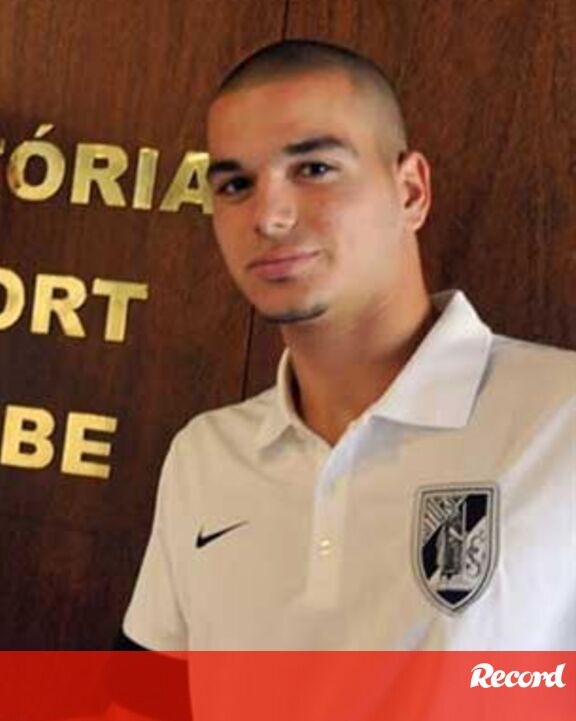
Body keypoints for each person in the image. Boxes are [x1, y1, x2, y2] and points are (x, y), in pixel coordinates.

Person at [122, 39, 576, 653]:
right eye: (235, 184)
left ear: (410, 191)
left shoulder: (560, 418)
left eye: (314, 169)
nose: (270, 217)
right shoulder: (205, 456)